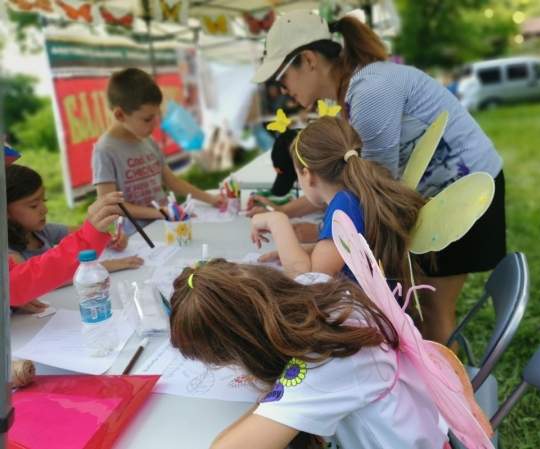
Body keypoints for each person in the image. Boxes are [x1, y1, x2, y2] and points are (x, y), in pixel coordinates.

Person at [251, 10, 507, 344]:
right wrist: (287, 216)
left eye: (280, 77)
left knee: (434, 312)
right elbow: (358, 188)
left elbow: (372, 193)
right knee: (422, 307)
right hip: (440, 193)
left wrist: (314, 234)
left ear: (309, 60)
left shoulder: (370, 91)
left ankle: (447, 392)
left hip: (462, 196)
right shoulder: (358, 88)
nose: (281, 89)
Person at [169, 260, 451, 449]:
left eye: (229, 360)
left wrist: (268, 402)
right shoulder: (315, 289)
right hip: (425, 422)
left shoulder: (320, 364)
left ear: (245, 347)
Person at [250, 116, 424, 283]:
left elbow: (311, 281)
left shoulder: (343, 208)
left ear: (307, 175)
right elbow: (348, 253)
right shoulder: (355, 197)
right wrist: (296, 251)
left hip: (362, 311)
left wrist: (277, 221)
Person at [93, 67, 224, 234]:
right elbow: (110, 205)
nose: (155, 123)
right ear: (120, 115)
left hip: (166, 225)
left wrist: (211, 199)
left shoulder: (148, 140)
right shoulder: (105, 151)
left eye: (157, 115)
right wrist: (159, 213)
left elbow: (172, 181)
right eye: (147, 119)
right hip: (138, 238)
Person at [6, 164, 143, 275]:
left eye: (44, 200)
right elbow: (35, 279)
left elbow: (83, 234)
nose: (45, 210)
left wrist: (112, 238)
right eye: (34, 206)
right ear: (5, 212)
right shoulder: (7, 252)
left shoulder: (41, 232)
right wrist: (109, 265)